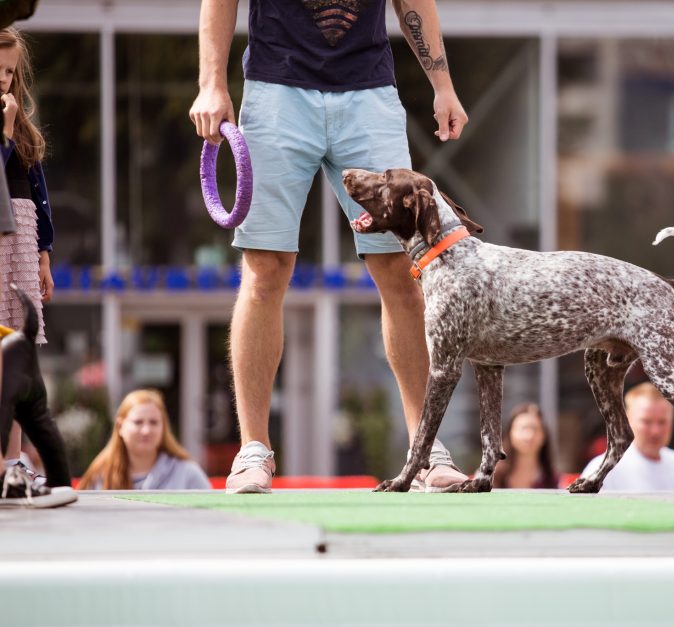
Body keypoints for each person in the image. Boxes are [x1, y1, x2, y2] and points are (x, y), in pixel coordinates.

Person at [189, 0, 469, 493]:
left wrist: (442, 85)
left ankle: (426, 451)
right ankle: (253, 450)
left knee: (401, 271)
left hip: (370, 94)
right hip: (276, 89)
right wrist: (212, 82)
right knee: (265, 270)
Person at [0, 26, 54, 481]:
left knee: (16, 353)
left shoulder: (24, 128)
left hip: (21, 240)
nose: (3, 78)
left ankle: (14, 459)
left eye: (9, 71)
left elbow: (39, 197)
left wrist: (44, 254)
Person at [78, 389, 211, 490]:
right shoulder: (100, 474)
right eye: (138, 422)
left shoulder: (187, 472)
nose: (146, 430)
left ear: (163, 427)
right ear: (120, 427)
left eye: (153, 422)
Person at [580, 383, 674, 493]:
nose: (655, 431)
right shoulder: (601, 471)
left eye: (662, 422)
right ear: (627, 420)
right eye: (646, 421)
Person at [492, 403, 558, 489]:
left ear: (544, 435)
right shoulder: (490, 475)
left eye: (535, 429)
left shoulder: (553, 481)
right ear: (510, 433)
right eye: (523, 428)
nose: (529, 435)